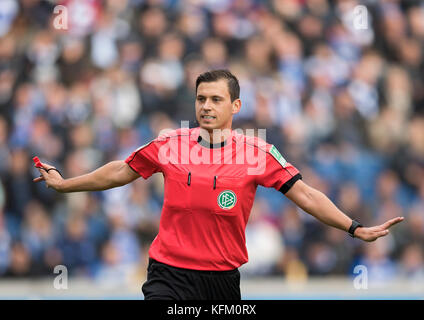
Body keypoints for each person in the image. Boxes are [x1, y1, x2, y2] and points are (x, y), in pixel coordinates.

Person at [33, 69, 404, 300]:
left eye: (215, 99)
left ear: (236, 106)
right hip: (168, 273)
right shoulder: (169, 143)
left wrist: (354, 228)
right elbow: (121, 171)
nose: (206, 106)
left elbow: (305, 195)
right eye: (200, 99)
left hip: (221, 279)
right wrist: (67, 186)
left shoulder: (257, 152)